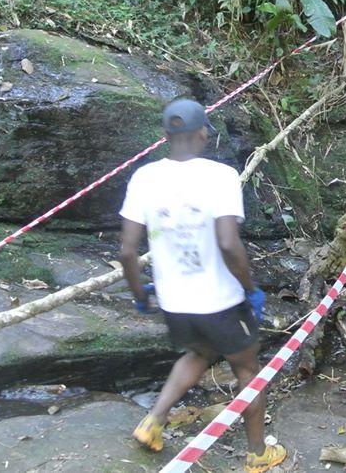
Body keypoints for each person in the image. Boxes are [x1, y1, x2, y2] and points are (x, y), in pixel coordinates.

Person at [118, 98, 287, 473]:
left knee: (198, 353)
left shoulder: (143, 177)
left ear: (165, 136)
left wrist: (140, 295)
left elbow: (128, 251)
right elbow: (229, 243)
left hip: (175, 303)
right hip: (221, 301)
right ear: (203, 134)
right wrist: (249, 288)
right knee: (248, 371)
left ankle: (153, 422)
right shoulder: (220, 175)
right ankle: (258, 454)